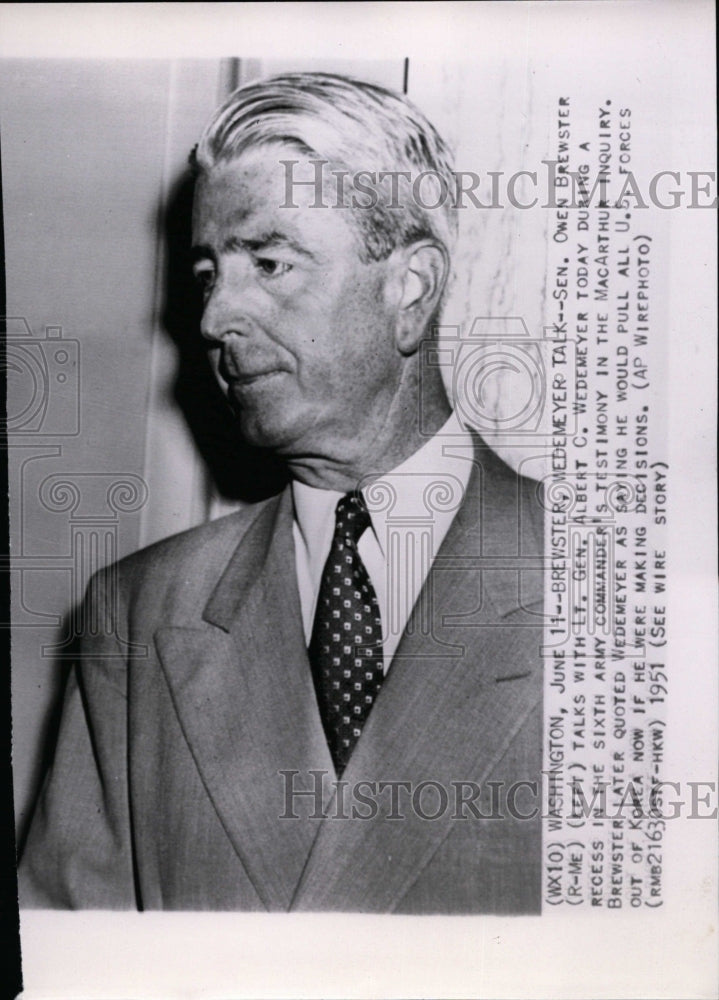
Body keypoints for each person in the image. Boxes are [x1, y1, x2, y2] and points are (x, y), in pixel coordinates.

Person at [19, 72, 545, 913]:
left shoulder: (617, 591)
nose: (213, 318)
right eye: (205, 275)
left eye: (269, 261)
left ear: (410, 287)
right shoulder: (139, 614)